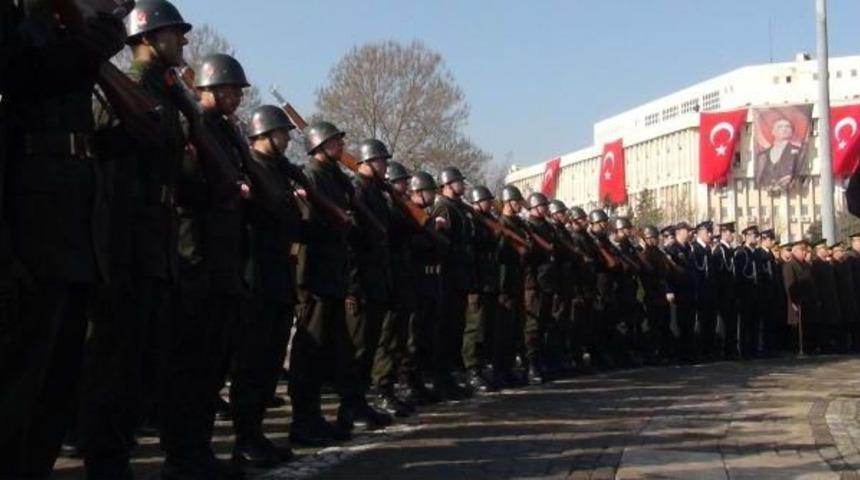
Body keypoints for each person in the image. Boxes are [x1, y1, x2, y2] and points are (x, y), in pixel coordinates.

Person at [0, 2, 126, 477]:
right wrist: (89, 45)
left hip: (70, 233)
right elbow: (21, 77)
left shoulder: (56, 29)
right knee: (17, 388)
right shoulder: (23, 22)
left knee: (54, 389)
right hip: (28, 231)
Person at [78, 2, 191, 478]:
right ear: (147, 38)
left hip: (155, 240)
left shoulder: (165, 91)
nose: (183, 41)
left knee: (144, 358)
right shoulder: (127, 86)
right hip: (128, 238)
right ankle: (106, 458)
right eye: (174, 34)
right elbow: (106, 151)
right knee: (116, 359)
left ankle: (117, 452)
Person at [229, 104, 311, 470]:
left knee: (269, 364)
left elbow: (292, 223)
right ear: (264, 134)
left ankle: (256, 433)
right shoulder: (249, 167)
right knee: (252, 363)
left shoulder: (278, 172)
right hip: (255, 275)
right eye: (282, 133)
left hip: (278, 275)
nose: (287, 138)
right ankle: (245, 438)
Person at [289, 121, 358, 445]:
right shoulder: (311, 175)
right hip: (314, 274)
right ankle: (304, 420)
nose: (339, 146)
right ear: (318, 145)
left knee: (332, 351)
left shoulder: (333, 177)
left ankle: (318, 417)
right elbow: (308, 225)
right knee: (309, 353)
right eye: (333, 142)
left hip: (332, 273)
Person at [345, 138, 397, 427]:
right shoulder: (358, 191)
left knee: (370, 346)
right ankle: (350, 406)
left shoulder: (376, 193)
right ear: (365, 162)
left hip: (376, 280)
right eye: (380, 161)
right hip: (361, 282)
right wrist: (352, 287)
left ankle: (359, 402)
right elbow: (351, 242)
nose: (384, 165)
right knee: (358, 349)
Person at [372, 161, 419, 415]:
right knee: (387, 338)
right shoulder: (388, 204)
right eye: (401, 181)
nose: (405, 185)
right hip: (389, 277)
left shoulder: (399, 205)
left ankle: (396, 387)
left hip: (402, 276)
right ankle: (383, 390)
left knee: (401, 338)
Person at [431, 167, 475, 399]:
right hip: (448, 277)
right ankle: (442, 380)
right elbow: (442, 243)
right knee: (446, 331)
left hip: (459, 276)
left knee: (456, 329)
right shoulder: (445, 208)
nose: (463, 185)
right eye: (459, 181)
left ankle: (450, 378)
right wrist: (461, 253)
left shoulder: (459, 209)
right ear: (448, 184)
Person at [402, 171, 446, 403]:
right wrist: (431, 235)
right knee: (412, 336)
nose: (433, 195)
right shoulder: (410, 212)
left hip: (430, 280)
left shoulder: (426, 215)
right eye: (429, 191)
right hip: (414, 279)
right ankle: (408, 384)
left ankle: (420, 382)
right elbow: (410, 243)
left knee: (426, 336)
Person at [464, 185, 501, 392]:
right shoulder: (472, 221)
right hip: (476, 281)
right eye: (485, 200)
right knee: (475, 329)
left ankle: (485, 368)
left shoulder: (489, 221)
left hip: (490, 280)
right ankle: (472, 369)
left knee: (488, 328)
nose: (489, 203)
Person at [496, 186, 530, 386]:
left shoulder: (518, 224)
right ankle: (501, 369)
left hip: (517, 279)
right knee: (504, 329)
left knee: (516, 328)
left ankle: (509, 368)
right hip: (504, 281)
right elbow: (499, 252)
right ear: (508, 202)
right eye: (516, 201)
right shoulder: (501, 223)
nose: (519, 205)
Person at [523, 193, 557, 383]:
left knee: (545, 324)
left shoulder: (548, 227)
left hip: (548, 282)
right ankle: (531, 365)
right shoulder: (528, 227)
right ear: (534, 207)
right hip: (534, 282)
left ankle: (543, 362)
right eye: (543, 205)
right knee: (532, 327)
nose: (546, 208)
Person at [638, 225, 673, 362]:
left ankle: (663, 352)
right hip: (651, 293)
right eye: (650, 238)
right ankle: (652, 353)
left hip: (661, 293)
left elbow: (666, 273)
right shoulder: (645, 254)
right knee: (653, 325)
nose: (654, 240)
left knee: (664, 323)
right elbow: (650, 274)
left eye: (655, 238)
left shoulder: (659, 253)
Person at [783, 241, 819, 354]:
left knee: (807, 325)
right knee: (797, 326)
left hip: (808, 300)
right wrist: (794, 301)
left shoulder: (806, 265)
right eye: (802, 251)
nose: (805, 253)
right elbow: (789, 284)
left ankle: (808, 347)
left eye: (805, 251)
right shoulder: (790, 265)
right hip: (797, 301)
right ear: (796, 251)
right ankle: (797, 348)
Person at [667, 222, 696, 362]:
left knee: (689, 323)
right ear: (679, 231)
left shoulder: (688, 248)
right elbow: (668, 273)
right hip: (678, 291)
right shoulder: (672, 249)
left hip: (689, 290)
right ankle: (681, 353)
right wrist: (669, 290)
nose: (690, 233)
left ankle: (689, 352)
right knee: (680, 323)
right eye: (687, 230)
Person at [810, 241, 843, 353]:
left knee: (832, 323)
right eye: (825, 249)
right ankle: (824, 346)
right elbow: (815, 284)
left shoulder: (827, 264)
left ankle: (831, 344)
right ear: (819, 250)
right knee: (824, 324)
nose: (827, 251)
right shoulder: (815, 264)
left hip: (831, 298)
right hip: (823, 299)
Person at [756, 118, 802, 191]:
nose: (784, 129)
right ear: (773, 131)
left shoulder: (799, 152)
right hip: (766, 193)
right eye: (780, 127)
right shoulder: (763, 155)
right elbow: (758, 178)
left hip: (791, 192)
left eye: (787, 126)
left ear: (792, 131)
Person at [714, 222, 737, 359]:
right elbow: (719, 275)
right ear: (724, 233)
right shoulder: (719, 250)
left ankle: (731, 349)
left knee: (732, 323)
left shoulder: (729, 250)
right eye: (730, 232)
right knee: (724, 323)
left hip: (732, 293)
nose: (732, 235)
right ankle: (724, 350)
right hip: (724, 294)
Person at [831, 242, 858, 352]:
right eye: (839, 251)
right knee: (842, 325)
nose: (842, 254)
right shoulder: (832, 265)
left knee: (853, 323)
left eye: (842, 251)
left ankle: (854, 345)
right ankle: (842, 346)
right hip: (839, 298)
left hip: (850, 298)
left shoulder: (846, 264)